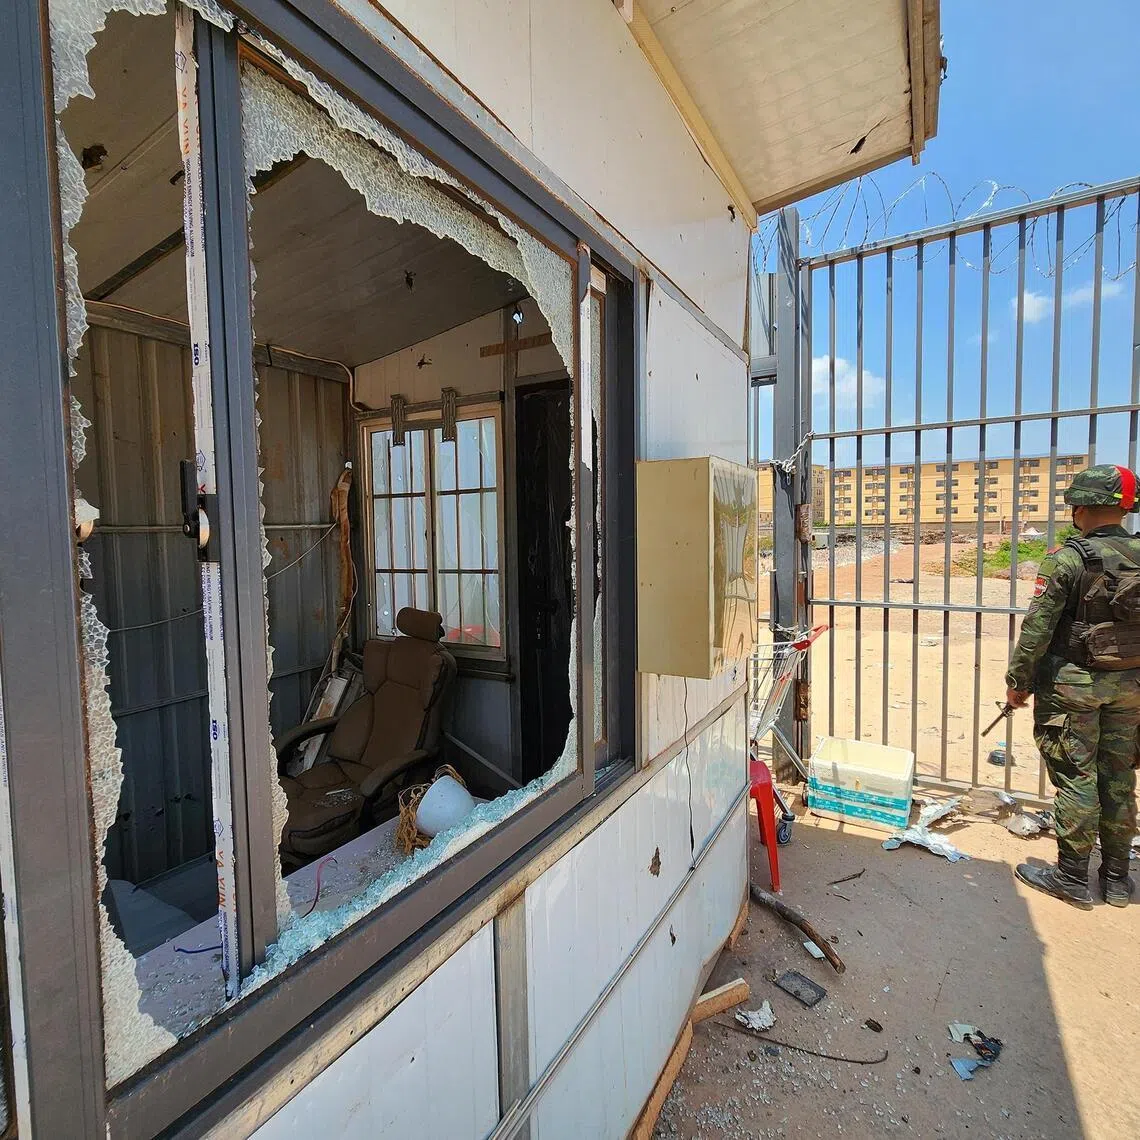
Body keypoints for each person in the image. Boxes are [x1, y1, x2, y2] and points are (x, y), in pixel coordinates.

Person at [1005, 464, 1140, 908]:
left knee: (1077, 778)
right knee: (1118, 779)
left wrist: (1018, 683)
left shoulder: (1068, 558)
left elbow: (1037, 629)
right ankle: (1118, 880)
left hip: (1073, 689)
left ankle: (1072, 878)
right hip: (1130, 687)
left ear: (1079, 506)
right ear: (1124, 507)